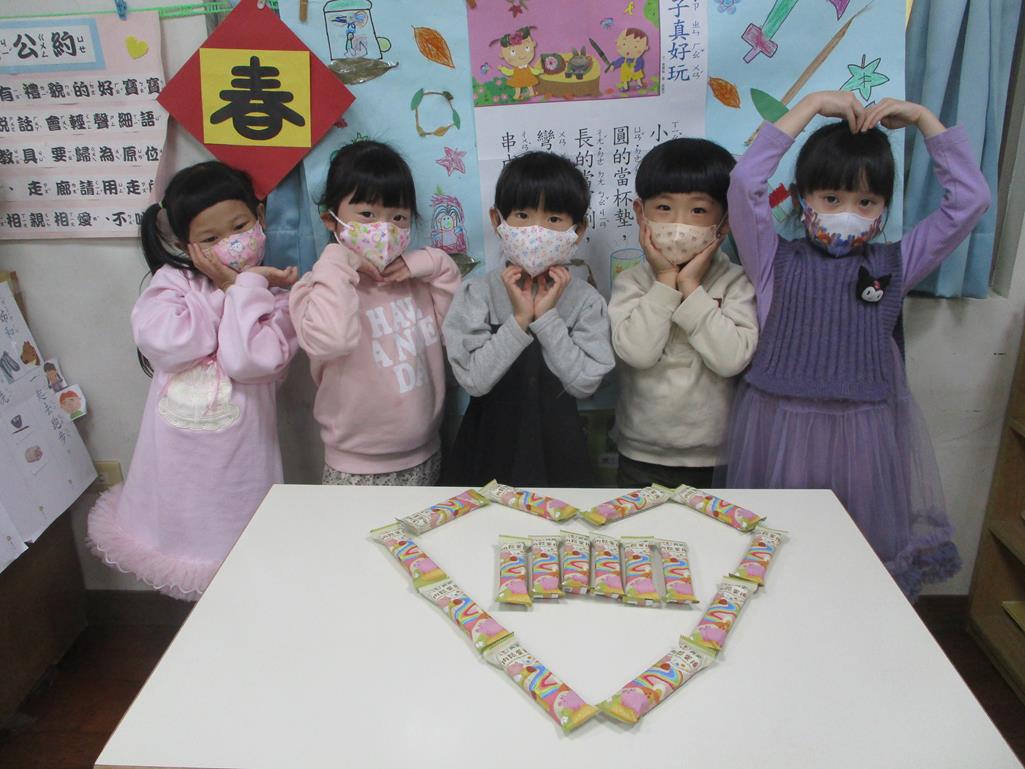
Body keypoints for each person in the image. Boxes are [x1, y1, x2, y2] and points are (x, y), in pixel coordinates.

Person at [723, 91, 991, 599]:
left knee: (854, 565)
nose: (848, 213)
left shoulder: (896, 263)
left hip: (862, 435)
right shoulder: (771, 257)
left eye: (866, 202)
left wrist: (924, 119)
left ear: (884, 207)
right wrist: (810, 105)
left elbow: (970, 201)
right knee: (778, 561)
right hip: (779, 429)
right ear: (802, 198)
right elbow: (745, 182)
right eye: (831, 199)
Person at [88, 161, 298, 600]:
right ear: (187, 245)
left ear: (260, 217)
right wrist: (222, 293)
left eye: (239, 227)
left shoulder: (275, 300)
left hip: (241, 469)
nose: (231, 243)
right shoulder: (172, 284)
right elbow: (169, 343)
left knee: (245, 565)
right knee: (183, 560)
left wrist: (243, 290)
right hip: (175, 471)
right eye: (211, 239)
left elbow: (247, 362)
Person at [290, 140, 460, 486]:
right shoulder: (316, 290)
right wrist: (338, 258)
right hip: (354, 467)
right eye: (367, 214)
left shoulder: (418, 285)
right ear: (331, 219)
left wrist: (434, 262)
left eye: (398, 217)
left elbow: (459, 335)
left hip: (427, 453)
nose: (384, 228)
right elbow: (332, 341)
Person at [442, 151, 614, 486]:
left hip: (559, 451)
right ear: (498, 220)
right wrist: (519, 320)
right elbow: (474, 380)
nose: (537, 230)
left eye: (554, 219)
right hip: (486, 448)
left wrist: (546, 318)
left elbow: (584, 384)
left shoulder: (586, 301)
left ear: (577, 231)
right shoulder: (477, 293)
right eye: (522, 215)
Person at [610, 138, 757, 490]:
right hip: (639, 453)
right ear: (640, 213)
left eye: (698, 211)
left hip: (716, 457)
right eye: (664, 208)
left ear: (724, 222)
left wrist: (690, 286)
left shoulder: (736, 282)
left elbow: (731, 360)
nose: (679, 225)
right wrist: (665, 280)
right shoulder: (631, 282)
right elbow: (637, 353)